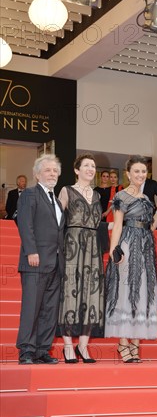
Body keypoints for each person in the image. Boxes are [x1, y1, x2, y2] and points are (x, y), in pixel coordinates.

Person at [105, 156, 157, 362]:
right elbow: (118, 225)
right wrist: (114, 250)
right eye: (136, 171)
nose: (140, 175)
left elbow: (151, 225)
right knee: (126, 292)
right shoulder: (121, 195)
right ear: (128, 174)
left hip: (145, 246)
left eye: (143, 172)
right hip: (128, 243)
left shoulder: (146, 198)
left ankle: (136, 343)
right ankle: (123, 343)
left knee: (143, 291)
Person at [16, 156, 64, 364]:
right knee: (31, 307)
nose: (52, 174)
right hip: (35, 261)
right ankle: (26, 350)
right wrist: (31, 251)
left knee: (49, 308)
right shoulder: (29, 194)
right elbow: (25, 225)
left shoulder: (57, 201)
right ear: (37, 175)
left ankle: (42, 350)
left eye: (55, 171)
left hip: (55, 263)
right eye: (47, 170)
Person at [58, 153, 104, 363]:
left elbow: (99, 224)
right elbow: (57, 221)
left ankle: (83, 346)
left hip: (93, 248)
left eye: (93, 166)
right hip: (72, 245)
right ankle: (68, 346)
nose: (90, 169)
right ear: (76, 170)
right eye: (86, 165)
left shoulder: (97, 196)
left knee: (91, 294)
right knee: (70, 292)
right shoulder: (67, 191)